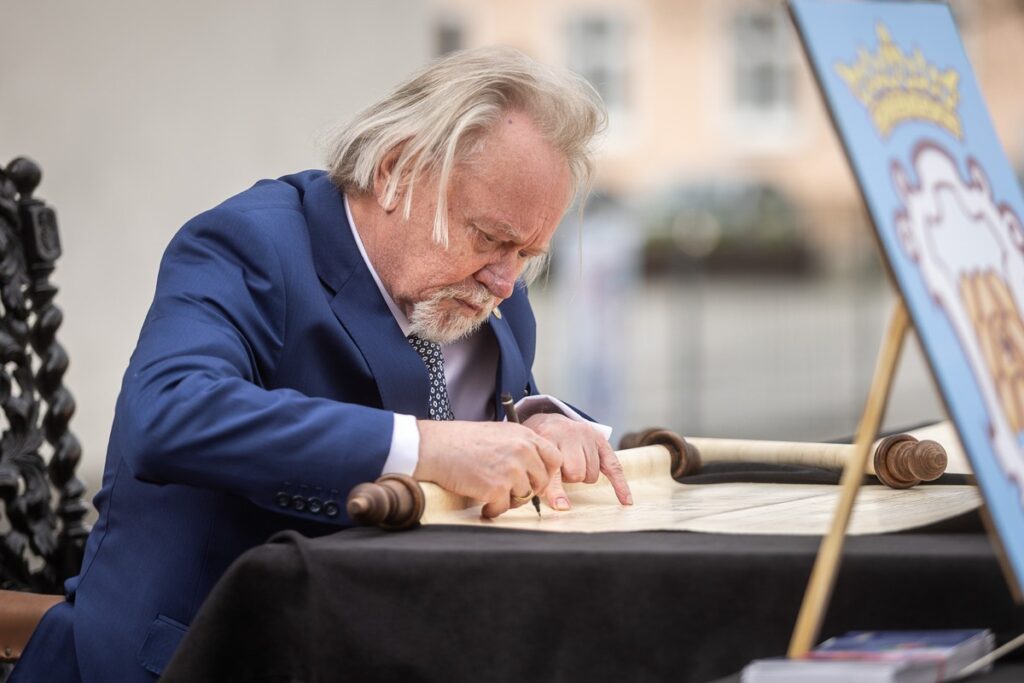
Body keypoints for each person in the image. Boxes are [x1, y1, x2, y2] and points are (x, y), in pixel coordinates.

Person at [11, 46, 633, 682]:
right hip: (207, 658)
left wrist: (540, 421)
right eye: (492, 237)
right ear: (397, 170)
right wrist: (428, 447)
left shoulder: (490, 292)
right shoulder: (251, 244)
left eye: (528, 252)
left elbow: (484, 424)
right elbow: (167, 413)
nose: (506, 281)